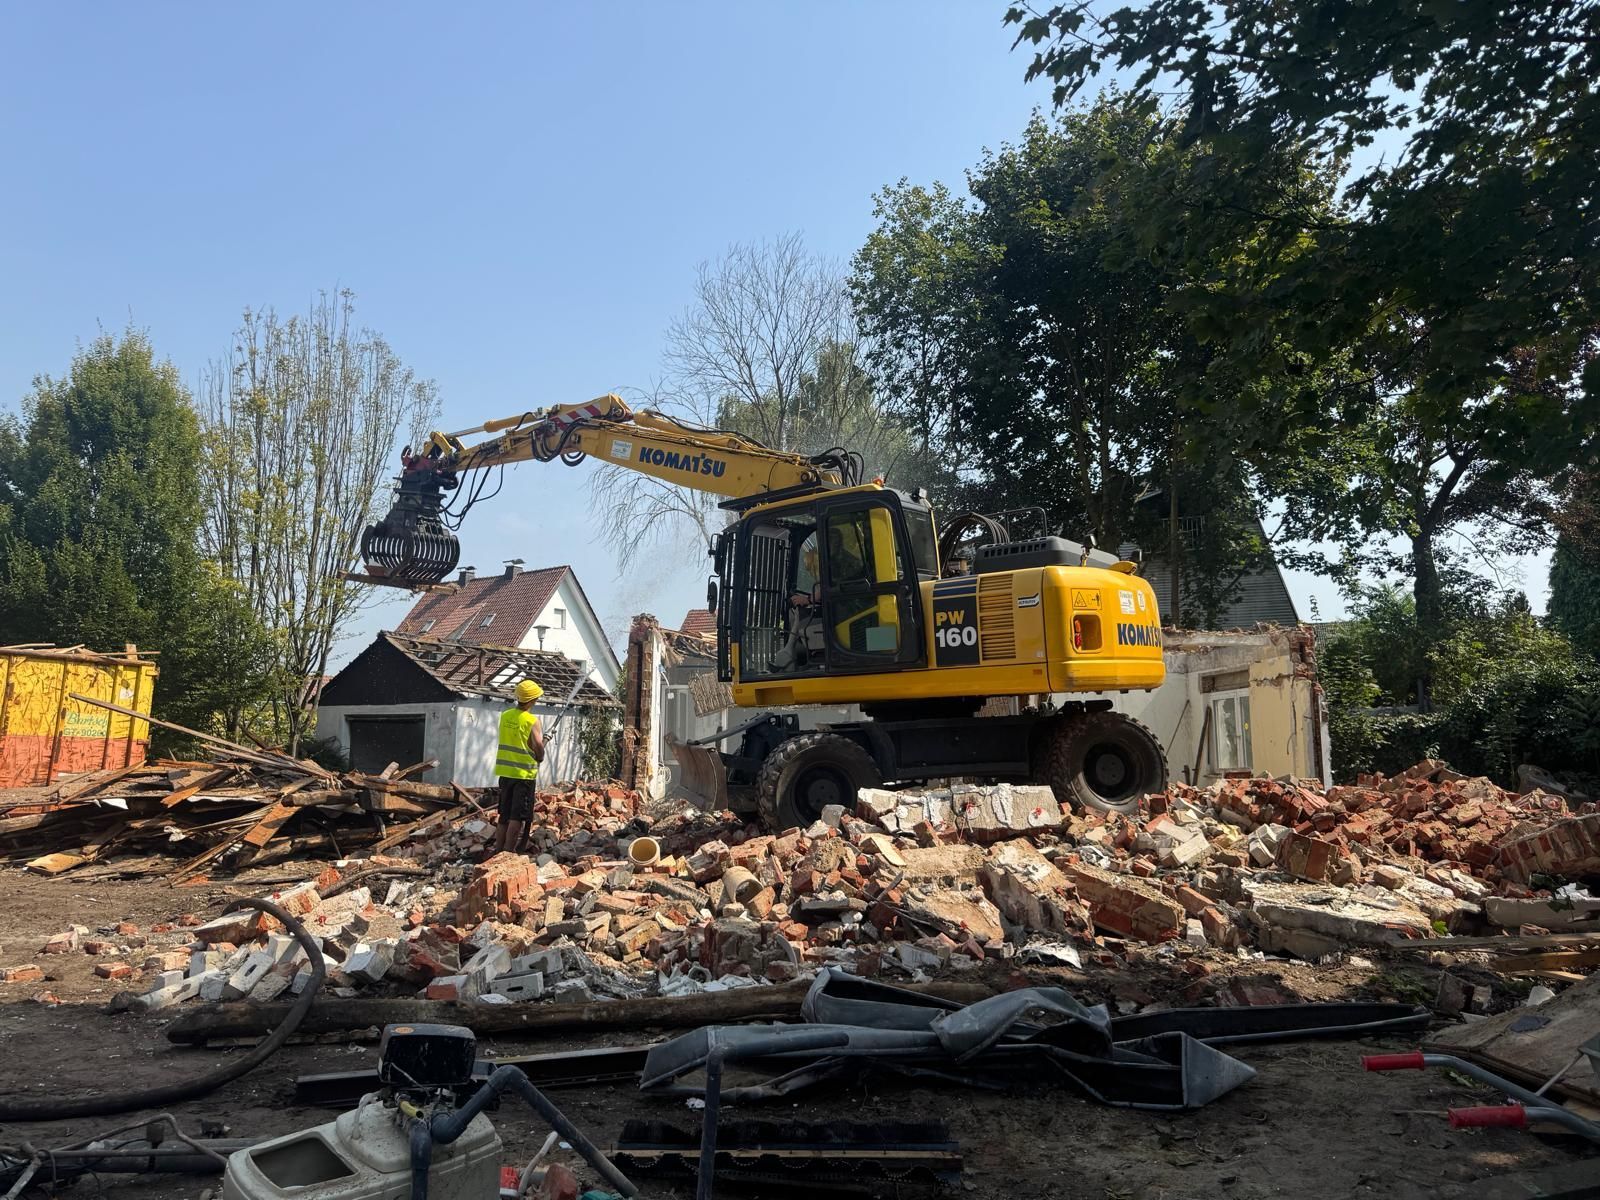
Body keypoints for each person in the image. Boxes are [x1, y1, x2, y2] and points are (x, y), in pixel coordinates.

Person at [493, 678, 545, 854]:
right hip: (523, 776)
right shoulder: (532, 721)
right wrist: (540, 755)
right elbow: (538, 747)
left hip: (505, 774)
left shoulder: (505, 716)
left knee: (504, 815)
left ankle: (498, 850)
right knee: (517, 817)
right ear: (533, 700)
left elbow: (517, 740)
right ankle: (508, 853)